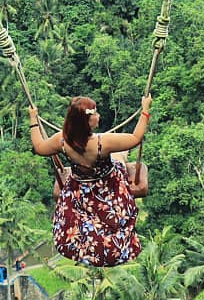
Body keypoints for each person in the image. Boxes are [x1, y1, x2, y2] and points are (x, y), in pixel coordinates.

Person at [30, 94, 152, 267]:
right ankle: (121, 157)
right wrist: (145, 110)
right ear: (87, 122)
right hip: (107, 186)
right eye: (95, 113)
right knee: (119, 156)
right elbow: (135, 138)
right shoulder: (103, 142)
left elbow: (39, 147)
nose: (98, 115)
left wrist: (33, 119)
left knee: (116, 157)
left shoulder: (62, 140)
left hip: (79, 189)